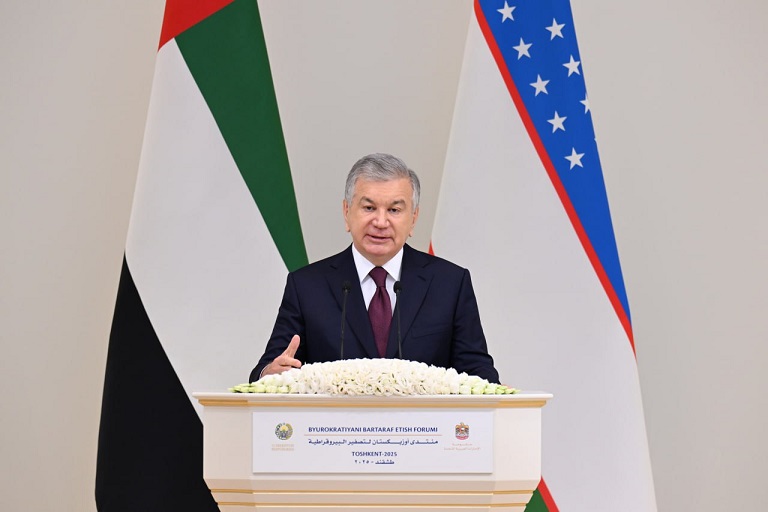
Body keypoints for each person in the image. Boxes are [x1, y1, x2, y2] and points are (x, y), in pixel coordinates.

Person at [250, 153, 499, 383]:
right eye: (369, 208)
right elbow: (268, 369)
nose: (380, 222)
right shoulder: (307, 286)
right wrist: (270, 373)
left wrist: (494, 391)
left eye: (394, 210)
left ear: (413, 219)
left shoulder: (450, 284)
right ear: (347, 212)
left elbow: (478, 372)